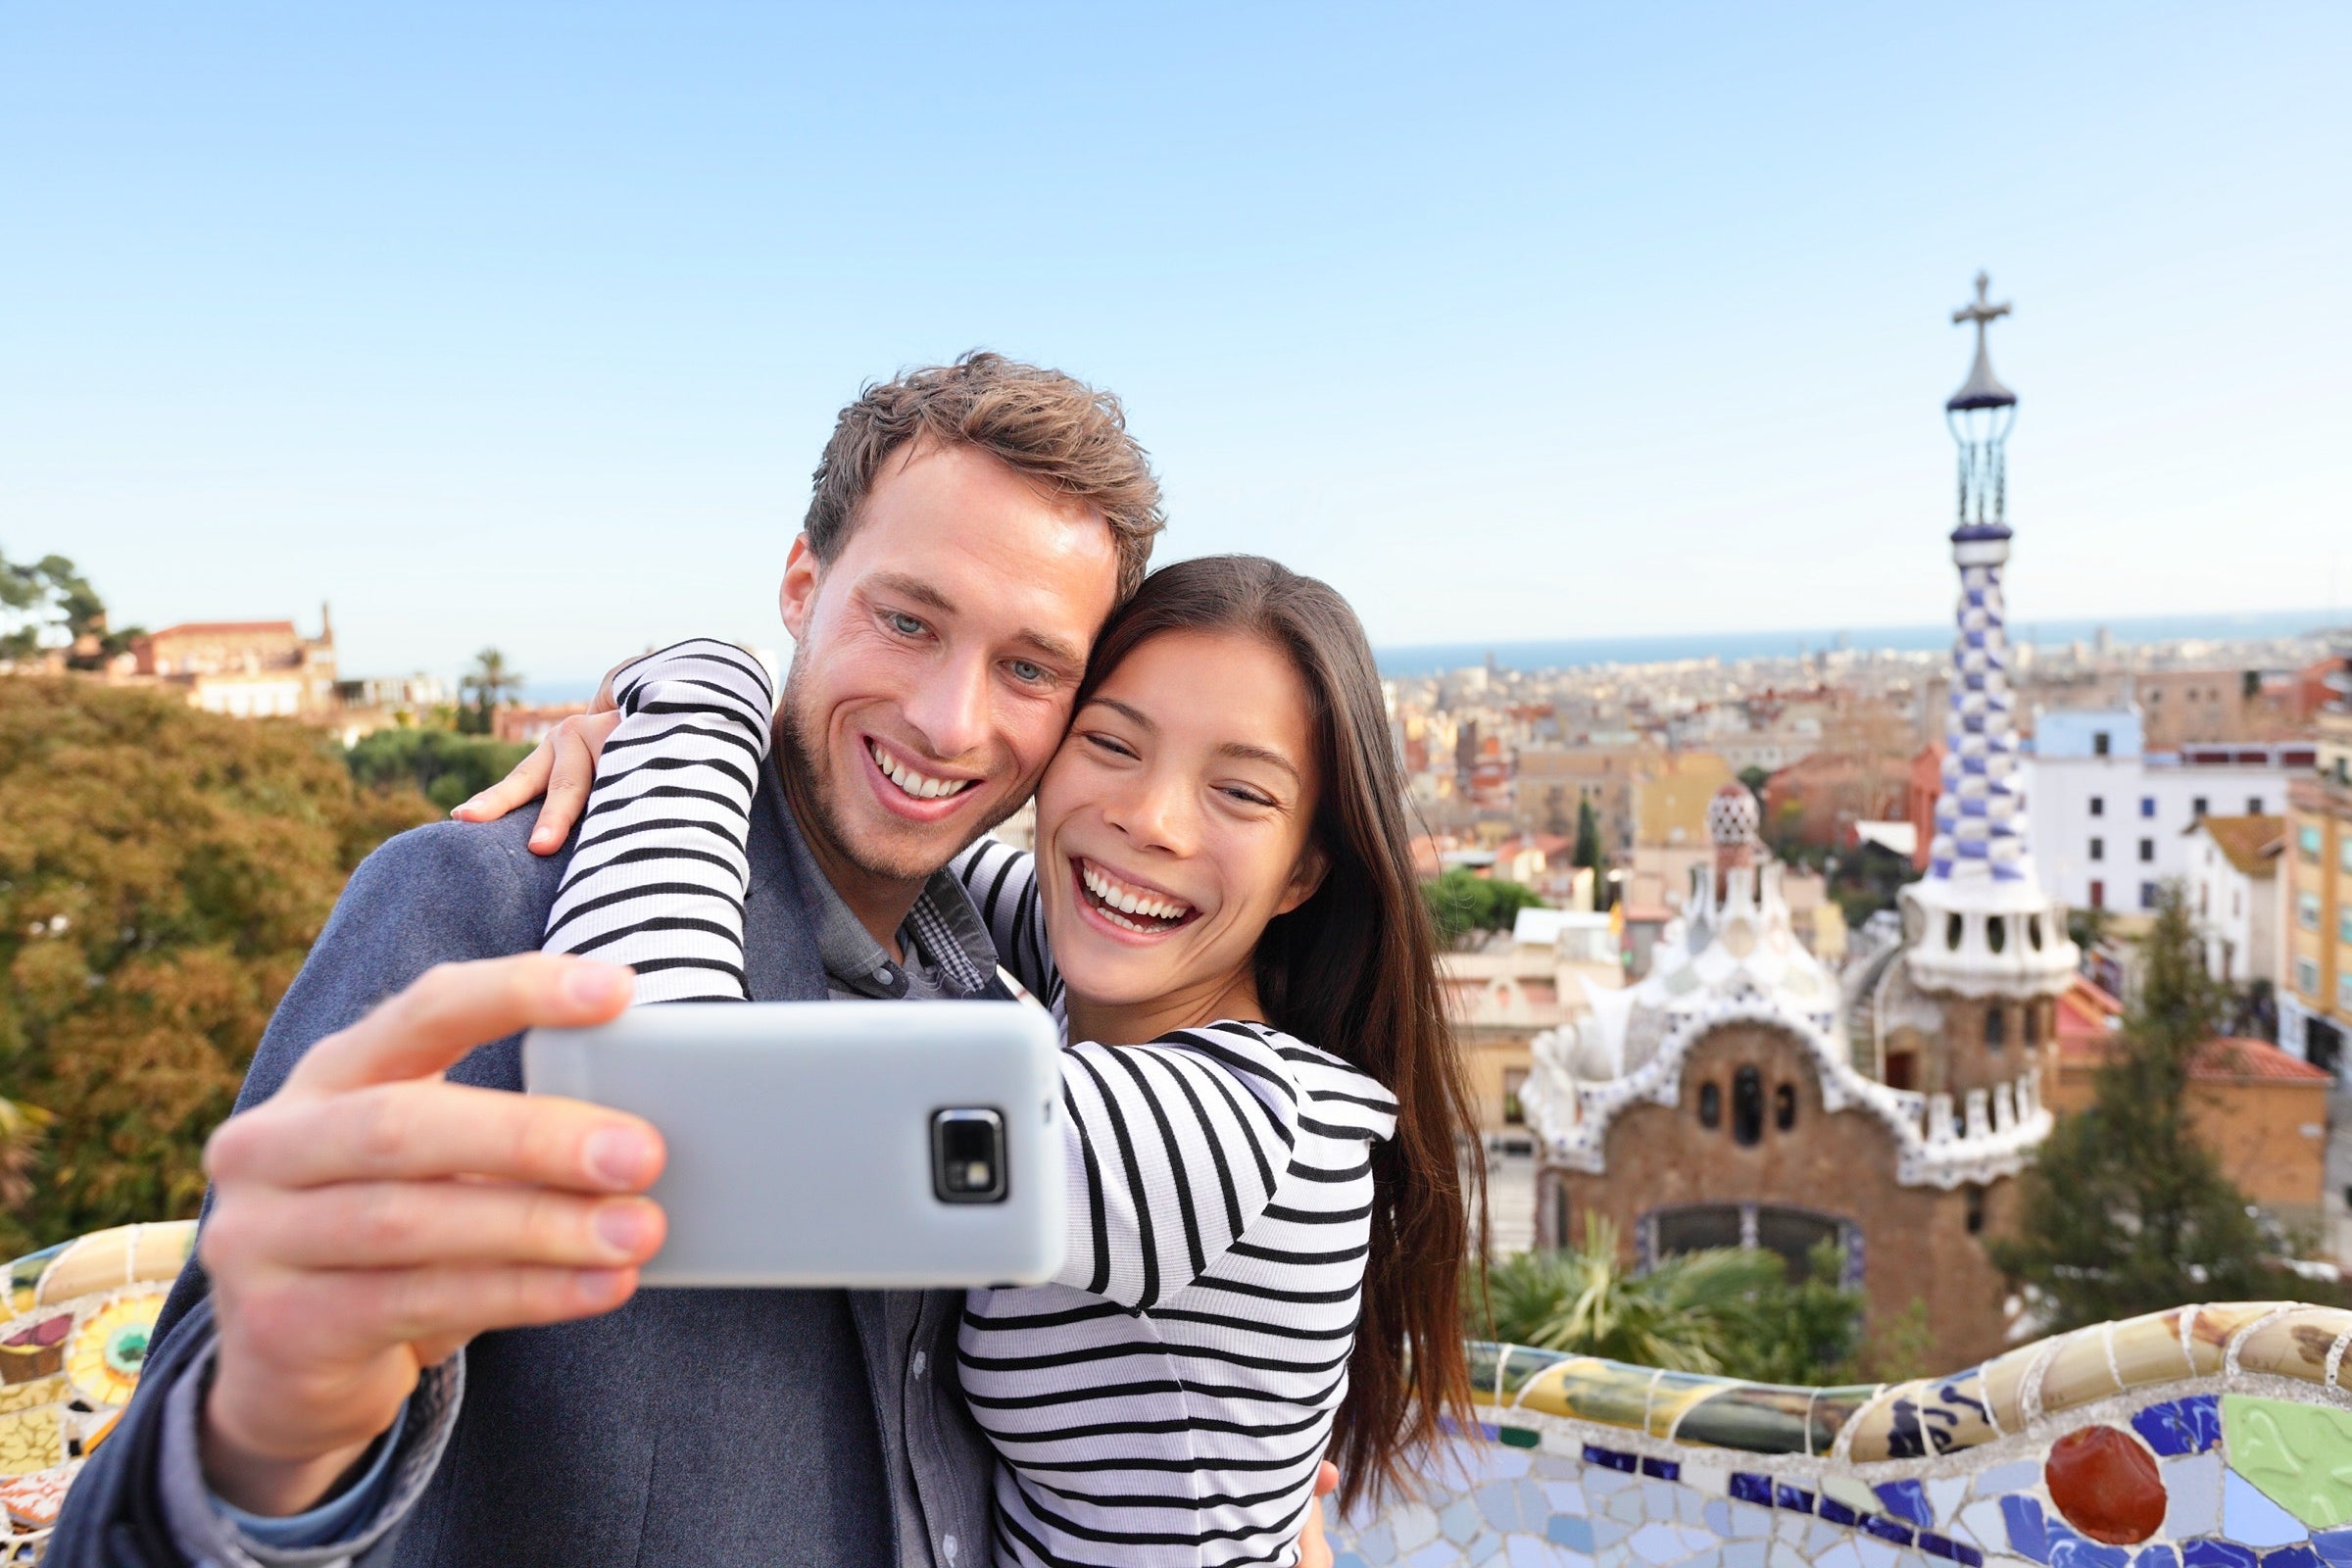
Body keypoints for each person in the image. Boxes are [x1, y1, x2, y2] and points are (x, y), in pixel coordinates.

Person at [43, 354, 1353, 1568]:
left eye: (1029, 667)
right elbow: (163, 1492)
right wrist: (263, 1440)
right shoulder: (486, 911)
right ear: (801, 585)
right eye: (906, 622)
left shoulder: (990, 993)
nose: (952, 722)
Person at [529, 555, 1480, 1565]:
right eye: (1112, 742)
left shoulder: (1224, 1130)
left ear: (1304, 871)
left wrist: (697, 691)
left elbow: (664, 1129)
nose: (1148, 821)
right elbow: (892, 833)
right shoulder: (1113, 983)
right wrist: (644, 749)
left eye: (1241, 792)